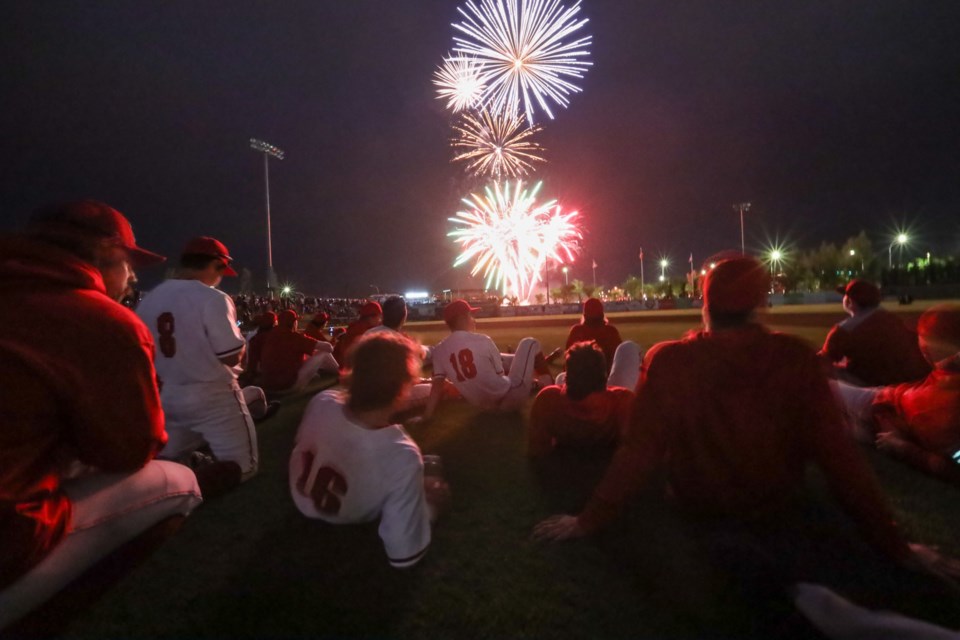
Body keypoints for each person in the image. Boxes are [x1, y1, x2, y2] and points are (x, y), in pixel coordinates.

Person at [534, 256, 960, 632]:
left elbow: (638, 453)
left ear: (705, 304)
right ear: (761, 304)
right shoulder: (793, 357)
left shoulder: (672, 360)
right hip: (780, 508)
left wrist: (588, 520)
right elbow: (841, 461)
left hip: (700, 513)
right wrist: (896, 546)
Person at [0, 201, 202, 629]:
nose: (132, 277)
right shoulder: (98, 316)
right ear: (105, 251)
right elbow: (131, 451)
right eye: (129, 262)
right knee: (180, 483)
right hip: (7, 542)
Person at [289, 333, 448, 568]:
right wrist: (431, 505)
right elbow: (403, 553)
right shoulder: (401, 453)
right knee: (426, 480)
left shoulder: (322, 400)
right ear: (403, 388)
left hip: (300, 497)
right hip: (345, 512)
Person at [136, 236, 259, 483]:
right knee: (244, 468)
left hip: (165, 396)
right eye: (222, 269)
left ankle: (174, 477)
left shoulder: (149, 299)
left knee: (168, 460)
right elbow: (230, 355)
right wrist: (244, 346)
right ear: (216, 263)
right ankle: (185, 493)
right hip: (212, 395)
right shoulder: (212, 297)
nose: (221, 277)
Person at [838, 304, 960, 483]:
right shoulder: (948, 369)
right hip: (888, 399)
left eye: (924, 339)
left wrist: (902, 447)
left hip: (879, 414)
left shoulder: (947, 403)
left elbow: (951, 467)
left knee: (820, 388)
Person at [423, 299, 543, 420]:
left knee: (504, 359)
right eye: (471, 315)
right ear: (462, 318)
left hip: (486, 408)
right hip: (510, 397)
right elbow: (500, 374)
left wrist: (426, 416)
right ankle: (548, 384)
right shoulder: (483, 339)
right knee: (530, 343)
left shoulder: (439, 350)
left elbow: (436, 387)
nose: (473, 319)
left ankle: (533, 379)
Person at [528, 342, 635, 457]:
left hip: (571, 395)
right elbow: (631, 449)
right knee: (628, 347)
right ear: (604, 376)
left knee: (560, 377)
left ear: (569, 378)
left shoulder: (548, 399)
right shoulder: (622, 400)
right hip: (603, 397)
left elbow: (537, 451)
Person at [820, 279, 930, 386]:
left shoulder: (844, 329)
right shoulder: (894, 320)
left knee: (822, 371)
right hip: (903, 382)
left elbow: (823, 361)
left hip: (869, 386)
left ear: (849, 301)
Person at [258, 309, 339, 392]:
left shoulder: (270, 335)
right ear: (293, 323)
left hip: (268, 384)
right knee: (324, 353)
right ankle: (341, 372)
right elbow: (328, 347)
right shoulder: (294, 337)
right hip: (288, 385)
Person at [564, 298, 623, 367]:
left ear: (585, 315)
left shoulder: (577, 331)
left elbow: (568, 358)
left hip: (580, 375)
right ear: (602, 314)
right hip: (606, 375)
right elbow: (620, 357)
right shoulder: (611, 331)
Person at [333, 300, 383, 367]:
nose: (379, 320)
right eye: (378, 317)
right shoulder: (359, 329)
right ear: (370, 317)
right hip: (350, 365)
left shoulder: (362, 326)